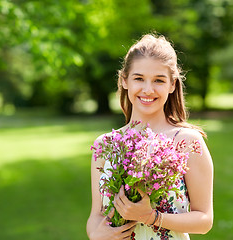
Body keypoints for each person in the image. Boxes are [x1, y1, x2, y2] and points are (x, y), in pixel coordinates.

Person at [86, 34, 213, 240]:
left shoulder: (187, 142)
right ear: (124, 81)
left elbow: (204, 219)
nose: (148, 89)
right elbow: (96, 215)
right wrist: (95, 233)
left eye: (159, 80)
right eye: (139, 78)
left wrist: (152, 217)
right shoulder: (105, 145)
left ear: (172, 85)